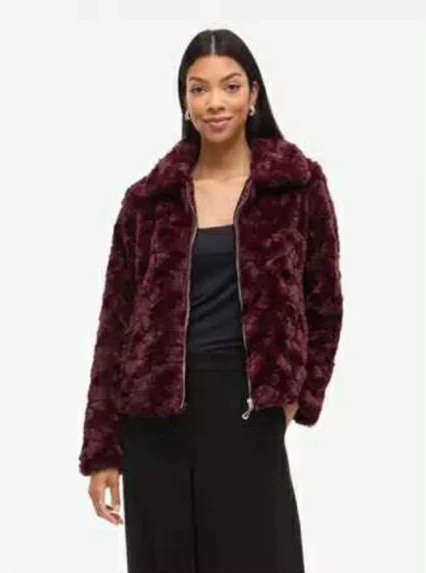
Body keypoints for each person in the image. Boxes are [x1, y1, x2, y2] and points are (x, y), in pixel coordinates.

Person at [78, 28, 343, 573]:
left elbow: (325, 303)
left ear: (254, 95)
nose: (215, 102)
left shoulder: (296, 187)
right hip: (154, 419)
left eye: (230, 86)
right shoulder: (147, 201)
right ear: (184, 100)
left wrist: (295, 397)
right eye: (199, 89)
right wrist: (103, 449)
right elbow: (115, 325)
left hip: (246, 410)